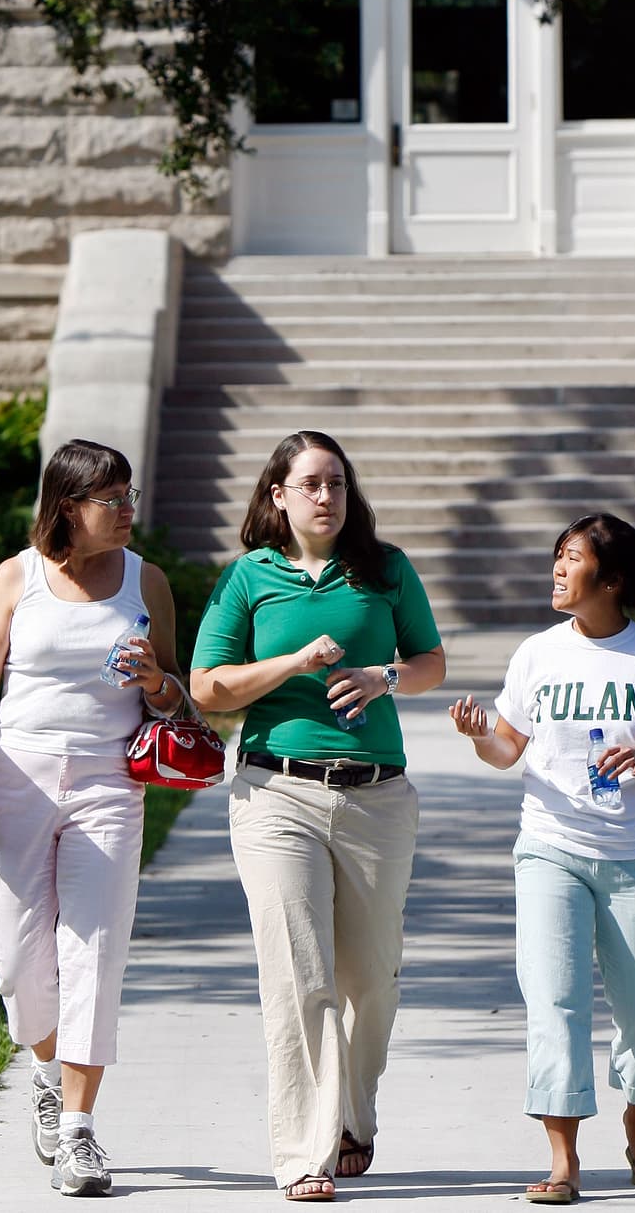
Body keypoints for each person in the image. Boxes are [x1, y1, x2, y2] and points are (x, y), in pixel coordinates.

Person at [190, 430, 445, 1204]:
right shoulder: (248, 579)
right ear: (278, 495)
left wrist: (383, 675)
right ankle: (305, 1150)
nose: (327, 495)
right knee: (300, 977)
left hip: (377, 796)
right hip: (275, 794)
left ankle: (353, 1114)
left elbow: (432, 663)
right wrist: (294, 664)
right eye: (310, 483)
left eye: (337, 481)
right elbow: (207, 686)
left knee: (373, 979)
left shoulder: (385, 569)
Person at [0, 438, 186, 1199]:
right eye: (110, 500)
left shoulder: (148, 580)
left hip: (111, 781)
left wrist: (157, 680)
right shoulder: (19, 577)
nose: (126, 511)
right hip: (20, 776)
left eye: (129, 496)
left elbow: (174, 696)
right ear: (66, 507)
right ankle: (44, 1070)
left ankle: (78, 1131)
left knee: (96, 954)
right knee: (16, 956)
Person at [449, 511, 635, 1207]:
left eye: (573, 558)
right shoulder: (538, 654)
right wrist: (480, 735)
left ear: (613, 579)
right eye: (557, 555)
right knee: (554, 1001)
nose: (558, 569)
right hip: (550, 849)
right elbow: (509, 750)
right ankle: (563, 1159)